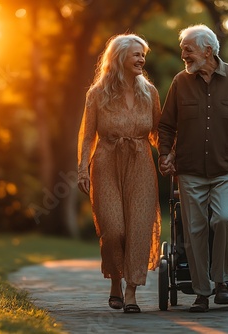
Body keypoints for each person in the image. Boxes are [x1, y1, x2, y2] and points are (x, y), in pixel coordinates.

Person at [157, 24, 228, 312]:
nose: (183, 55)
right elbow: (166, 125)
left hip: (224, 167)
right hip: (189, 170)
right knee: (194, 228)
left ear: (207, 50)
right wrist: (165, 153)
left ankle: (221, 283)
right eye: (182, 50)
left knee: (223, 220)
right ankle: (202, 293)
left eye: (188, 50)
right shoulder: (180, 82)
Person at [77, 33, 162, 313]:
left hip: (140, 164)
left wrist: (170, 158)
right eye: (136, 54)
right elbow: (88, 137)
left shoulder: (149, 92)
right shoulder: (97, 94)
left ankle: (130, 293)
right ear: (119, 57)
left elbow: (158, 134)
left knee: (138, 229)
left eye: (143, 55)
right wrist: (82, 170)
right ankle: (115, 281)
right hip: (106, 164)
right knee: (113, 230)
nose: (142, 59)